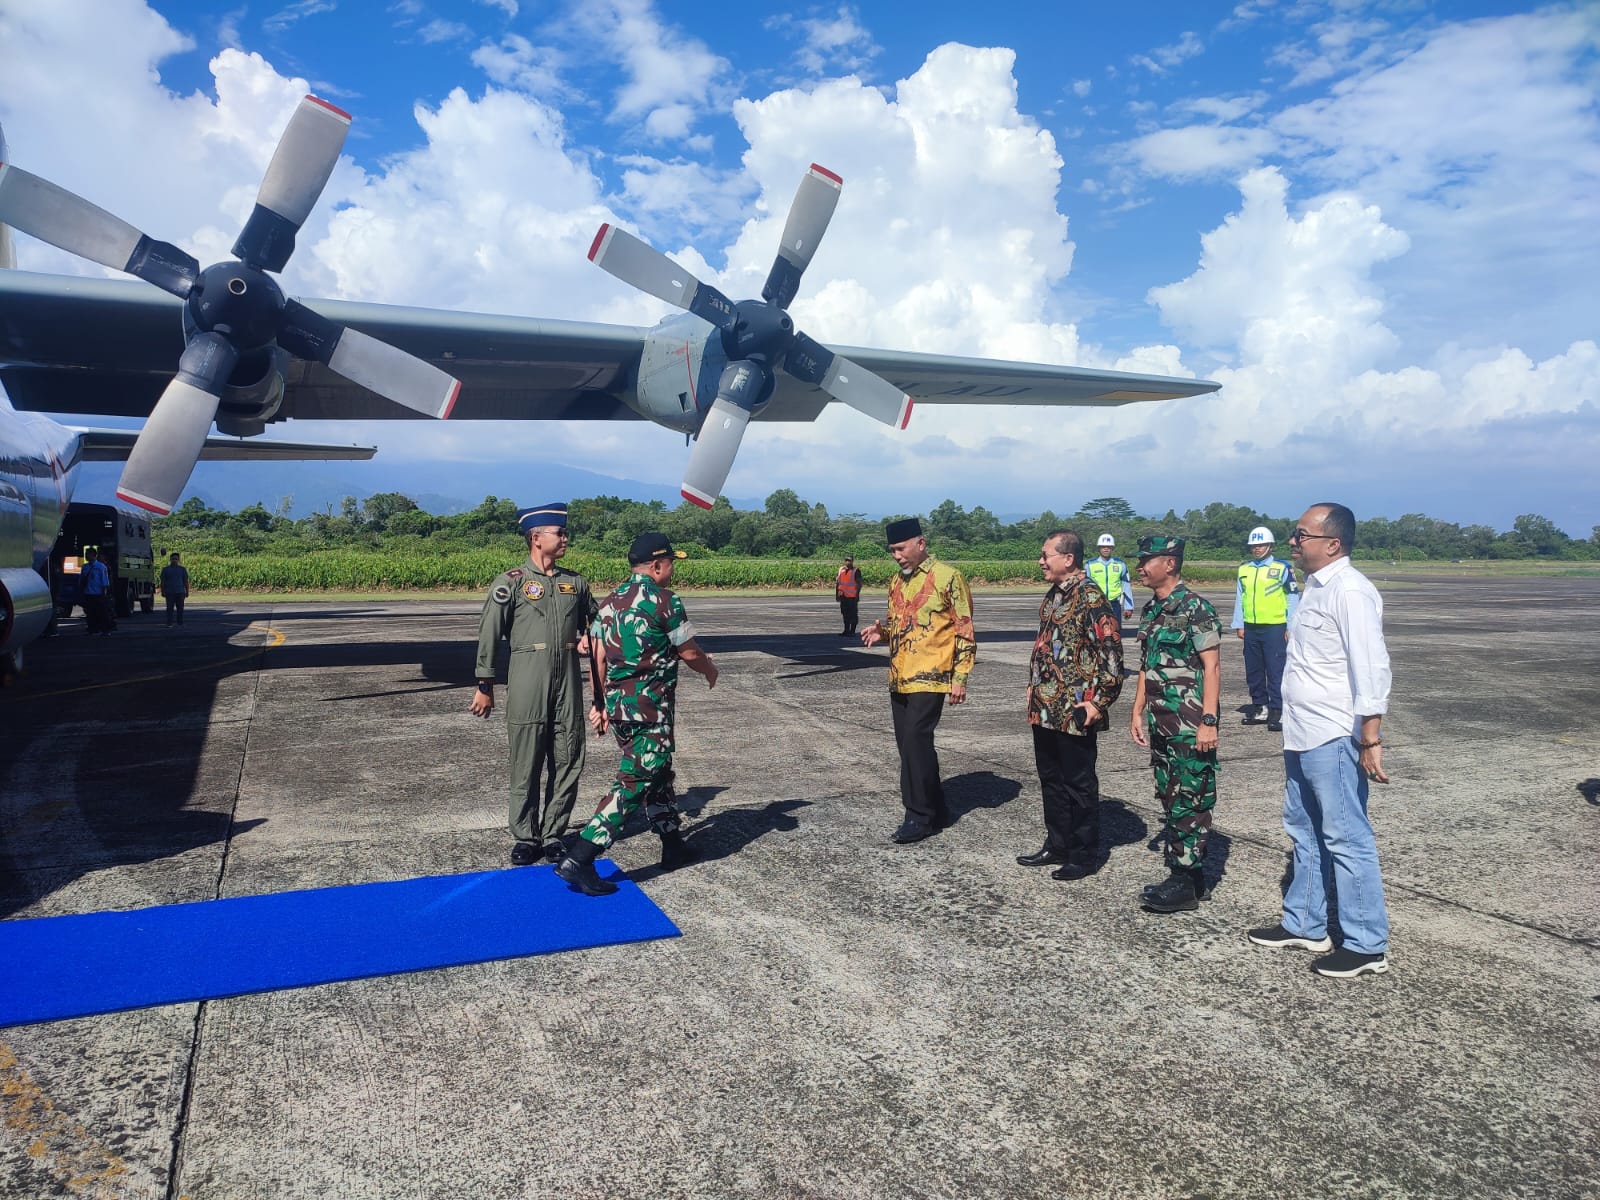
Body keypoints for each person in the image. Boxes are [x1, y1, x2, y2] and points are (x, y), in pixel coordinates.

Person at [1247, 503, 1393, 979]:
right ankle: (1306, 924)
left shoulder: (1350, 591)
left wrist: (1369, 737)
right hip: (1302, 730)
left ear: (1333, 543)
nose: (1293, 541)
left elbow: (1371, 666)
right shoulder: (1313, 587)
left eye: (1301, 534)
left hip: (1334, 733)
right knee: (1304, 830)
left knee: (1346, 836)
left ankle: (1367, 943)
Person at [556, 533, 719, 896]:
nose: (673, 570)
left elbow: (596, 656)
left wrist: (599, 703)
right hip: (651, 709)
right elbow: (689, 652)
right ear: (657, 565)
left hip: (621, 710)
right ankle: (581, 857)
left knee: (658, 775)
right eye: (671, 563)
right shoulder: (665, 601)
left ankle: (672, 844)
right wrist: (710, 670)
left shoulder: (610, 602)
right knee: (634, 783)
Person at [471, 502, 599, 867]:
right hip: (528, 678)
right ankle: (526, 837)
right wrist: (485, 683)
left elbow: (597, 621)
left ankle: (554, 833)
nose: (565, 539)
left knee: (568, 757)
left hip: (568, 683)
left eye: (564, 533)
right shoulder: (510, 582)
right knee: (525, 761)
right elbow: (489, 636)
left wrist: (591, 636)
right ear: (536, 537)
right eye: (559, 533)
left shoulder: (574, 583)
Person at [860, 517, 976, 844]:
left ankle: (918, 816)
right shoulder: (897, 581)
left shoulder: (949, 578)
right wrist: (880, 633)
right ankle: (936, 808)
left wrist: (961, 676)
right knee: (912, 747)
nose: (896, 555)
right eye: (892, 550)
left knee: (914, 740)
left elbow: (964, 629)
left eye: (901, 548)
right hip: (899, 675)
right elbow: (901, 626)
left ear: (920, 544)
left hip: (932, 675)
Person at [1017, 529, 1124, 880]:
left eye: (1046, 555)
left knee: (1078, 783)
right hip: (1045, 706)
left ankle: (1083, 854)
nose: (1041, 561)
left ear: (1068, 558)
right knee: (1050, 778)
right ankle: (1058, 843)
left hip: (1076, 709)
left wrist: (1100, 702)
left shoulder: (1091, 597)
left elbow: (1111, 656)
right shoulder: (1054, 596)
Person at [1128, 535, 1221, 913]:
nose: (1140, 566)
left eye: (1147, 559)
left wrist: (1209, 721)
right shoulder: (1153, 610)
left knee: (1190, 797)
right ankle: (1192, 878)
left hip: (1189, 721)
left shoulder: (1195, 608)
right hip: (1160, 720)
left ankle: (1182, 881)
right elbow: (1146, 667)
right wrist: (1136, 710)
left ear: (1169, 563)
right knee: (1169, 795)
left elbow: (1212, 666)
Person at [1232, 526, 1298, 730]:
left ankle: (1278, 709)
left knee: (1275, 669)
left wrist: (1291, 625)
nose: (1257, 548)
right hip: (1251, 627)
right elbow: (1239, 598)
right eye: (1254, 545)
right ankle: (1260, 707)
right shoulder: (1245, 569)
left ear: (1270, 546)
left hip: (1275, 627)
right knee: (1254, 670)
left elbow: (1293, 596)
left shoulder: (1282, 568)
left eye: (1261, 545)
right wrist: (1239, 623)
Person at [1086, 534, 1135, 628]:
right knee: (1096, 632)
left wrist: (1129, 606)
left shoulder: (1120, 564)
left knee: (1115, 632)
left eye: (1108, 547)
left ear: (1112, 548)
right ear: (1099, 548)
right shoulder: (1090, 565)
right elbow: (1085, 587)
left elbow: (1126, 585)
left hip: (1114, 604)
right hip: (1096, 604)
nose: (1106, 549)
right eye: (1103, 547)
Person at [80, 546, 113, 636]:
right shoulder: (85, 567)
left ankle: (106, 630)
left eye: (88, 554)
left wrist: (104, 593)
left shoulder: (101, 567)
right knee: (90, 613)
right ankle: (92, 629)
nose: (86, 556)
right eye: (86, 554)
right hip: (88, 593)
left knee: (102, 613)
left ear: (94, 555)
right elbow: (81, 580)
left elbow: (105, 581)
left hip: (98, 593)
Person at [159, 552, 190, 627]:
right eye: (173, 559)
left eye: (176, 559)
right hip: (169, 592)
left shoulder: (182, 569)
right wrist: (162, 591)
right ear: (170, 559)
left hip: (180, 592)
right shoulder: (165, 569)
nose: (174, 560)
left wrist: (187, 591)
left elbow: (185, 581)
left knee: (180, 609)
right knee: (169, 609)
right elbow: (162, 581)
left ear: (178, 560)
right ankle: (169, 623)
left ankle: (180, 623)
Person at [835, 555, 863, 636]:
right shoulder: (842, 571)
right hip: (843, 596)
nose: (847, 562)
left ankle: (852, 631)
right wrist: (837, 595)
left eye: (849, 560)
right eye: (846, 560)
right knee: (845, 613)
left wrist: (857, 595)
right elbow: (838, 584)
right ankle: (846, 630)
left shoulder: (856, 571)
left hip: (852, 596)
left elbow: (859, 584)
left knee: (853, 614)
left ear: (852, 561)